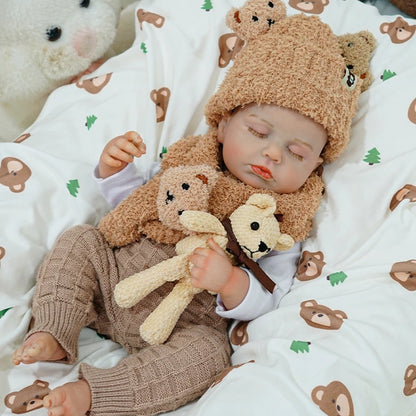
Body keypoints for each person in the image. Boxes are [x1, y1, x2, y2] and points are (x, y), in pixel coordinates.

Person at [11, 3, 364, 416]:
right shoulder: (190, 161)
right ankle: (56, 328)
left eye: (297, 152)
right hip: (114, 280)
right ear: (225, 121)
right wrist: (114, 171)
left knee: (209, 357)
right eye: (258, 132)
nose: (272, 153)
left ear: (316, 165)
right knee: (80, 242)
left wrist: (231, 281)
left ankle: (98, 394)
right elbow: (139, 209)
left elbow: (273, 293)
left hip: (183, 323)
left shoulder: (285, 218)